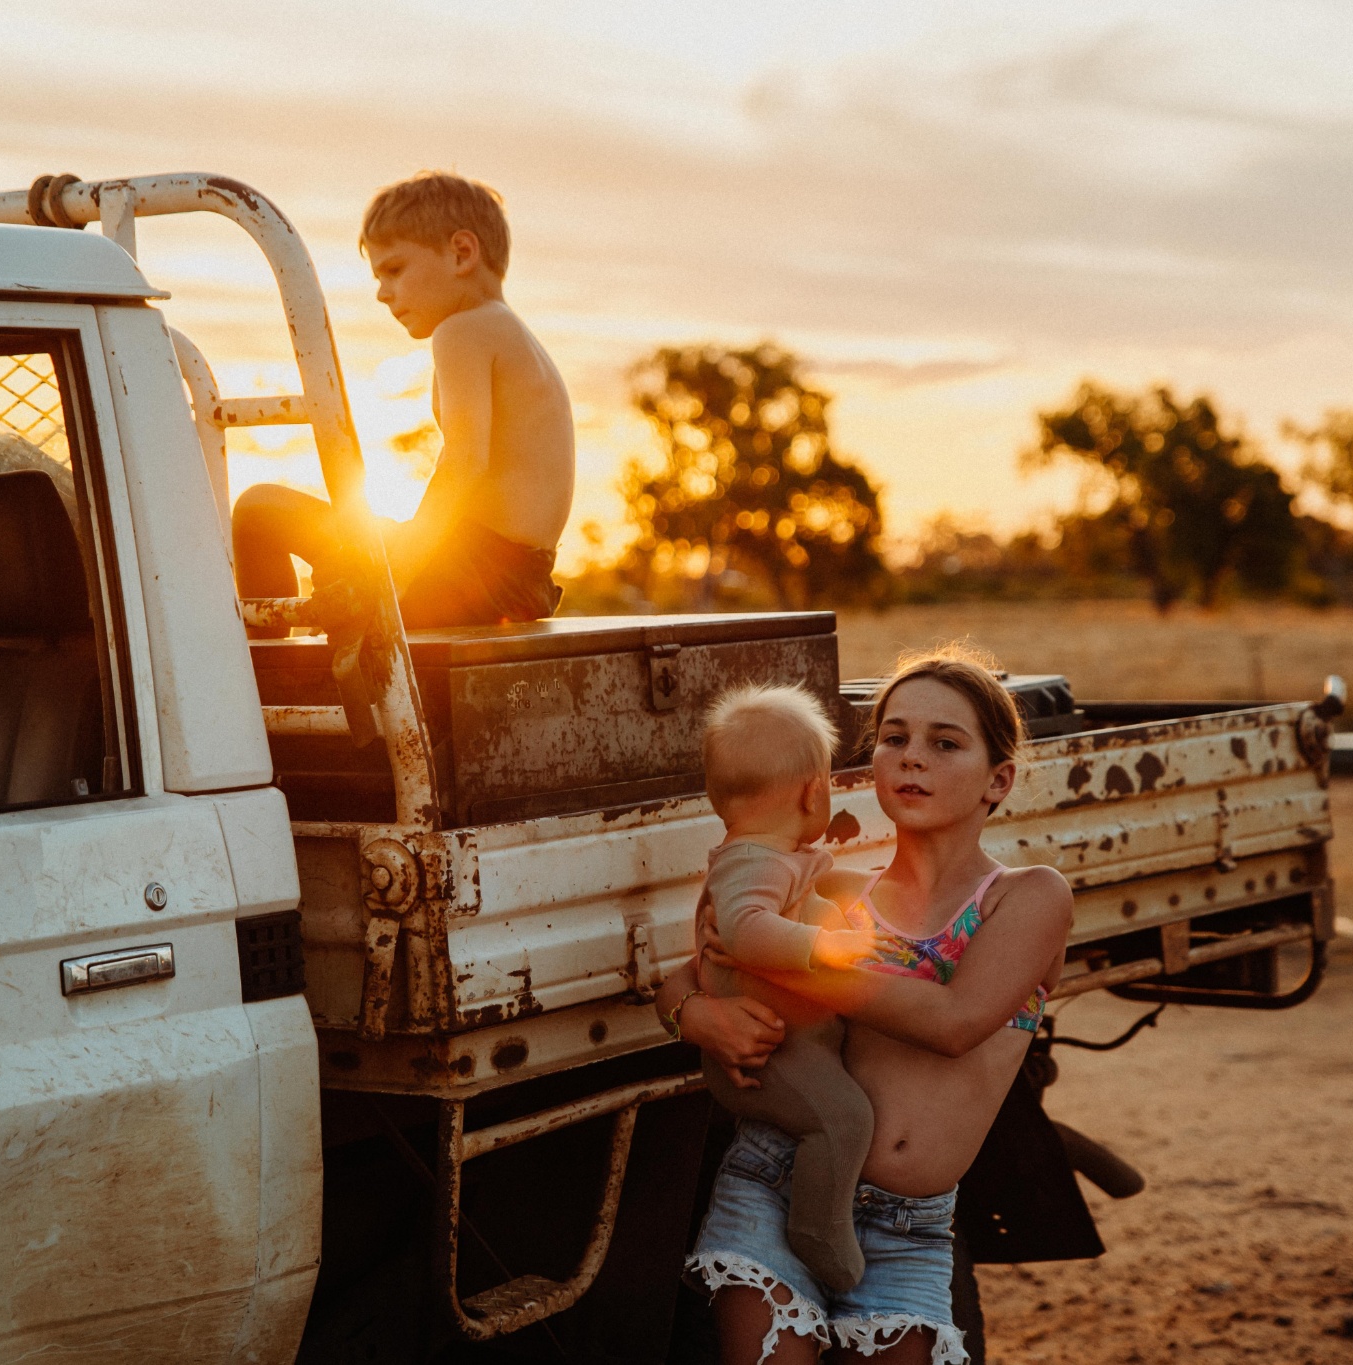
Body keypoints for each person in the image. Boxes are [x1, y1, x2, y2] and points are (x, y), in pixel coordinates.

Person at [656, 648, 1075, 1365]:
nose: (912, 758)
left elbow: (953, 1023)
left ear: (997, 780)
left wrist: (780, 957)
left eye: (945, 743)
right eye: (894, 737)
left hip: (905, 1226)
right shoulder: (841, 893)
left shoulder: (1026, 896)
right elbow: (688, 971)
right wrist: (696, 1016)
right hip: (774, 1181)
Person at [231, 171, 575, 632]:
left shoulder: (463, 330)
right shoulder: (510, 334)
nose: (381, 292)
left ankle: (267, 679)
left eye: (394, 269)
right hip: (522, 580)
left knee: (259, 511)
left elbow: (464, 460)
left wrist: (403, 566)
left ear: (462, 253)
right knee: (341, 537)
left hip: (469, 575)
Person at [694, 684, 899, 1293]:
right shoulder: (752, 863)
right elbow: (746, 929)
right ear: (814, 789)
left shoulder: (779, 854)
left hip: (791, 1038)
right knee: (843, 1118)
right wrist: (826, 947)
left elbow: (828, 877)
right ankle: (818, 1233)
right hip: (769, 1049)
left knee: (842, 1110)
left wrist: (885, 885)